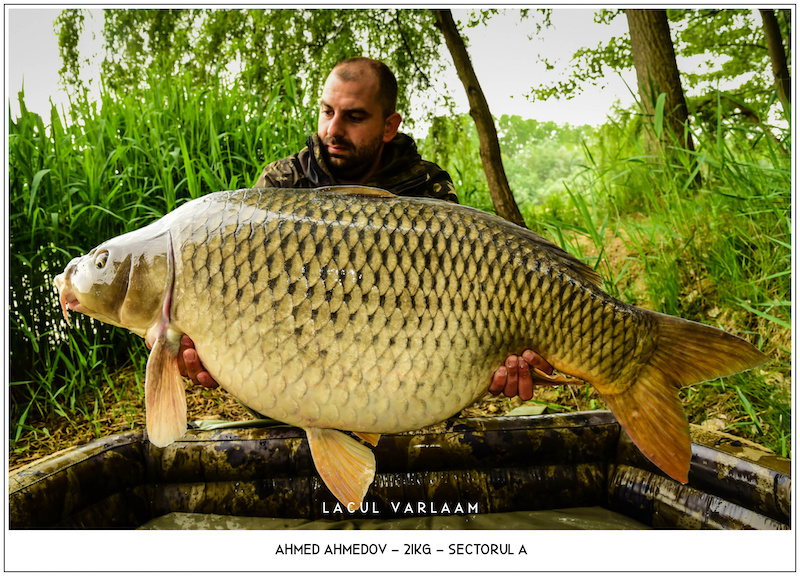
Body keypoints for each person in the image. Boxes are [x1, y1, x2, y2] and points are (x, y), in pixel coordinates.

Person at [178, 57, 554, 402]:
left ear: (389, 126)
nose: (333, 129)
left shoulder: (427, 187)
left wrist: (505, 355)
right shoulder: (281, 184)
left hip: (402, 381)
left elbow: (460, 303)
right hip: (294, 379)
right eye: (327, 112)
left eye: (354, 117)